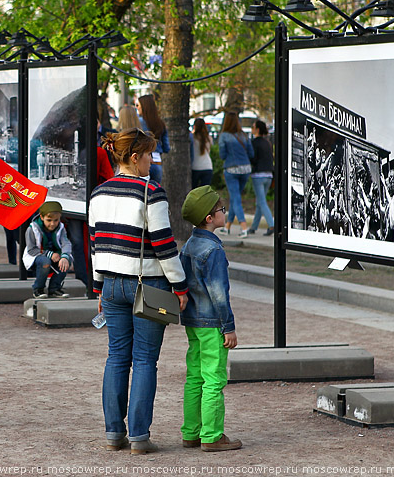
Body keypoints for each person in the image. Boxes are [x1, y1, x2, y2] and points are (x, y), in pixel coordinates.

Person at [88, 128, 188, 455]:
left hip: (112, 285)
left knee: (117, 358)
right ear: (135, 157)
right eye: (148, 155)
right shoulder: (151, 192)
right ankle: (139, 437)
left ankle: (113, 432)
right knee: (145, 360)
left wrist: (98, 286)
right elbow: (163, 243)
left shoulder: (99, 192)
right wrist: (180, 284)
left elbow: (95, 243)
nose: (151, 161)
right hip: (149, 283)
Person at [179, 185, 242, 452]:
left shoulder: (190, 245)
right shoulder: (213, 251)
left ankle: (191, 432)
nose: (223, 213)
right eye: (221, 210)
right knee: (215, 379)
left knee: (195, 377)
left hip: (192, 322)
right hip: (213, 324)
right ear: (209, 218)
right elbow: (219, 294)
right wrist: (229, 327)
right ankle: (212, 435)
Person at [22, 200, 73, 298]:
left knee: (67, 260)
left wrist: (65, 256)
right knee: (45, 261)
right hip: (36, 257)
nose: (52, 224)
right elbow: (31, 249)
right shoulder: (32, 228)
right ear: (41, 217)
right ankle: (38, 289)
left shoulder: (61, 227)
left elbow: (66, 243)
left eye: (56, 220)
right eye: (49, 220)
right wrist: (50, 254)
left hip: (56, 256)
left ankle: (54, 289)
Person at [217, 112, 253, 238]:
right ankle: (227, 227)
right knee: (235, 198)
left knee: (236, 198)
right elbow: (251, 153)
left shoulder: (224, 136)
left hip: (231, 169)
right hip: (246, 168)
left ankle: (244, 228)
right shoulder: (244, 135)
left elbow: (222, 154)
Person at [248, 120, 274, 236]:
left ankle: (272, 225)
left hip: (258, 174)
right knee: (259, 202)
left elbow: (253, 158)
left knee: (262, 202)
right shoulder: (268, 143)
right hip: (269, 174)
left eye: (253, 127)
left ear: (257, 129)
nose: (252, 129)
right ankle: (254, 227)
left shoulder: (254, 143)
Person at [136, 95, 169, 185]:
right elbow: (167, 148)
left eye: (138, 105)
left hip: (142, 161)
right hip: (157, 161)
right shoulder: (161, 124)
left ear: (144, 106)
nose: (137, 108)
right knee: (154, 192)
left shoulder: (138, 122)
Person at [191, 118, 213, 188]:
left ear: (194, 126)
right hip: (207, 166)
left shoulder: (192, 138)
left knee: (194, 190)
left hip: (195, 167)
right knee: (205, 192)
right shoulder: (208, 138)